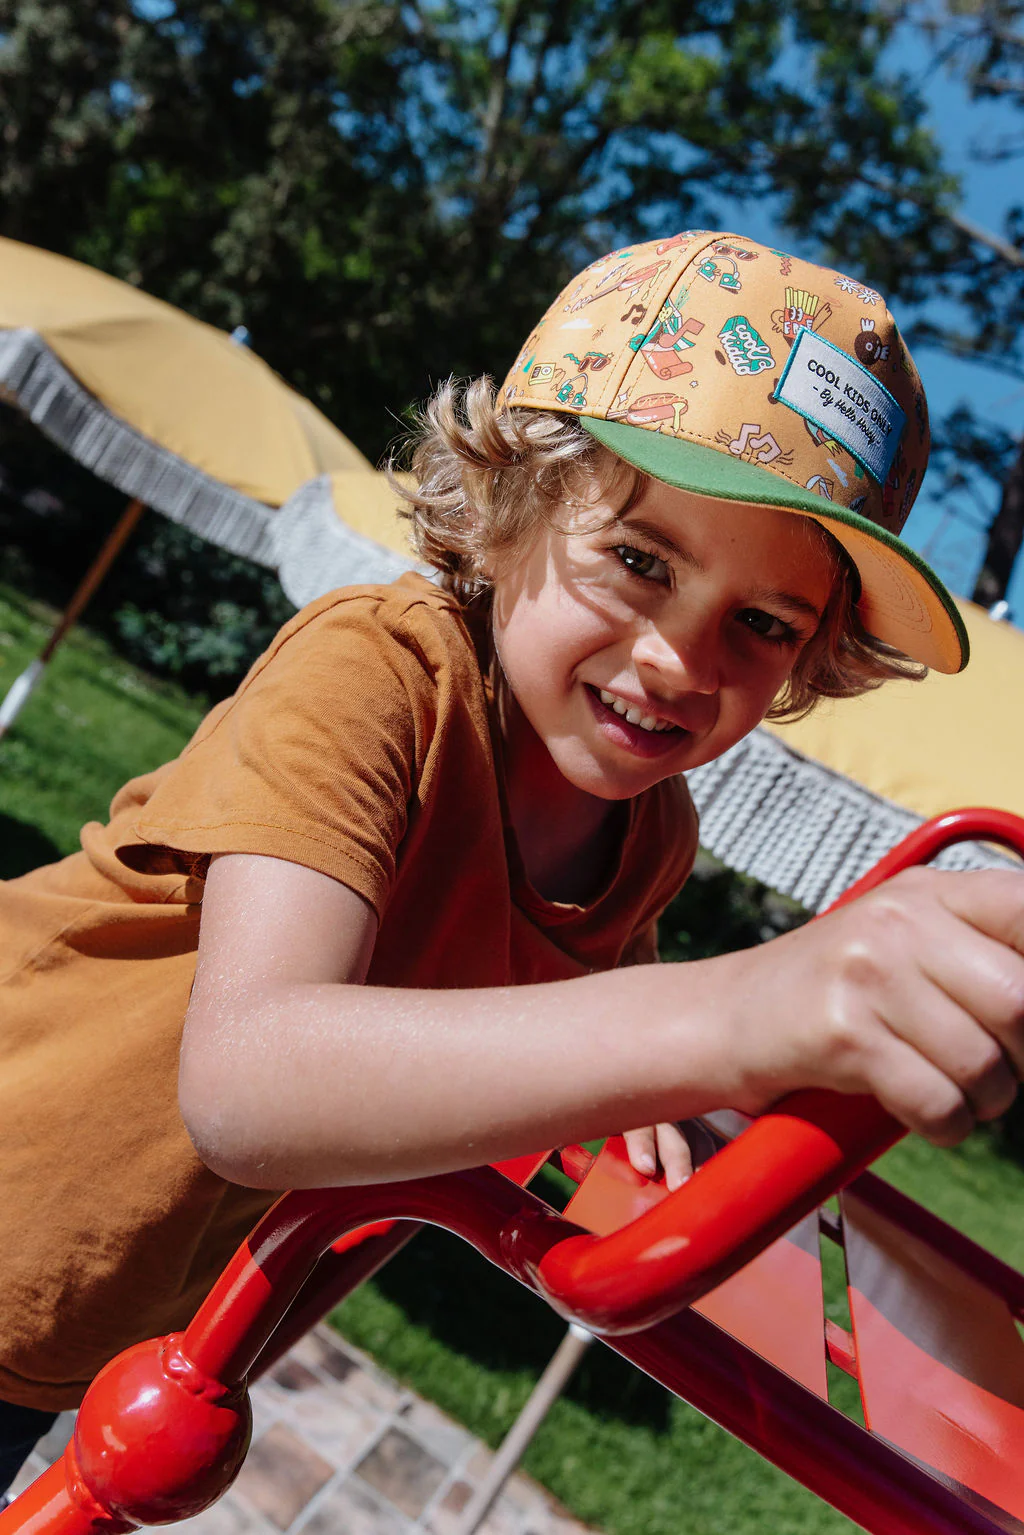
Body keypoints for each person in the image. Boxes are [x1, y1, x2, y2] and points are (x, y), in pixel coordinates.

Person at [1, 230, 1022, 1498]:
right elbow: (248, 1076)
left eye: (763, 623)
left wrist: (646, 1081)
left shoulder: (650, 836)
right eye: (639, 560)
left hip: (93, 1317)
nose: (679, 660)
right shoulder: (380, 668)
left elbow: (591, 1020)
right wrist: (736, 1010)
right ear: (506, 507)